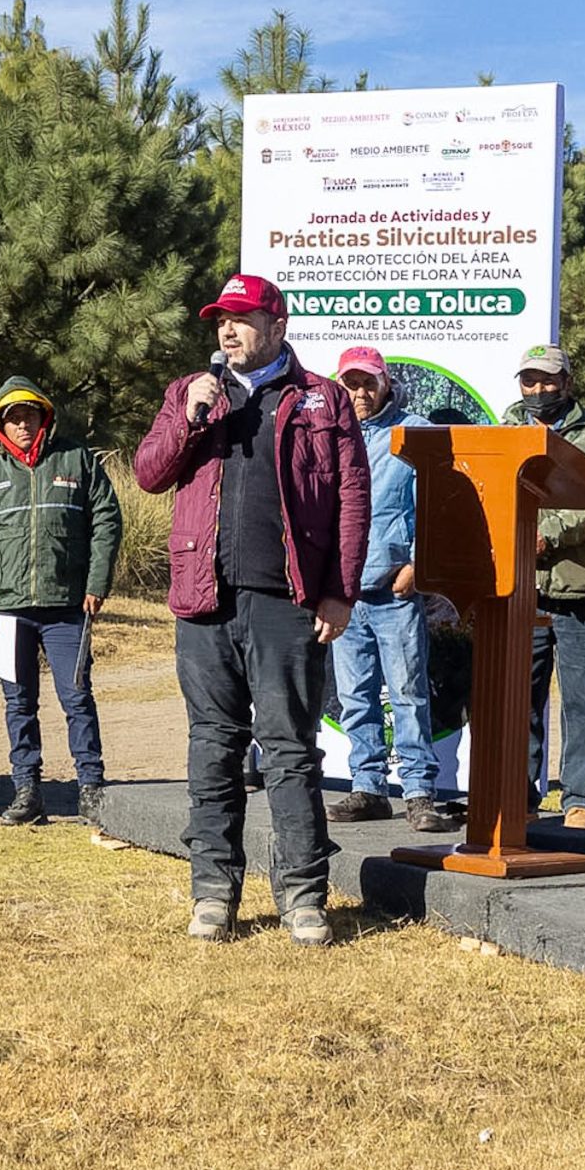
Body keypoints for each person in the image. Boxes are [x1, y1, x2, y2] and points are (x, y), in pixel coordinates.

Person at [134, 273, 366, 948]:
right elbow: (151, 472)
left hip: (287, 600)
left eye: (240, 318)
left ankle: (302, 895)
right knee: (213, 746)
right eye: (220, 321)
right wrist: (189, 414)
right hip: (204, 597)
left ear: (277, 323)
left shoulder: (322, 399)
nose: (227, 330)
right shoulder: (191, 392)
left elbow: (352, 498)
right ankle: (213, 891)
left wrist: (339, 590)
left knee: (291, 749)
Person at [0, 376, 124, 828]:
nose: (22, 423)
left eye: (29, 414)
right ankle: (27, 790)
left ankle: (92, 788)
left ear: (43, 416)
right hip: (5, 612)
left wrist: (97, 581)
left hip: (69, 607)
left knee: (77, 697)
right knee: (19, 703)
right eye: (12, 417)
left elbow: (107, 518)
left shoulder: (76, 460)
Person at [323, 346, 459, 835]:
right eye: (350, 384)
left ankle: (420, 793)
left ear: (385, 384)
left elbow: (442, 505)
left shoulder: (415, 432)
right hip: (343, 592)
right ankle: (369, 788)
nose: (359, 393)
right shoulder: (329, 433)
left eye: (367, 383)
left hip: (395, 589)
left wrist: (418, 566)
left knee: (407, 693)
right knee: (355, 696)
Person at [501, 343, 585, 828]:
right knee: (518, 700)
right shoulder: (507, 428)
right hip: (520, 588)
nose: (538, 389)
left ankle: (581, 798)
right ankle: (517, 795)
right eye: (529, 380)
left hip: (581, 587)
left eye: (548, 380)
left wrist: (548, 534)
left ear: (567, 382)